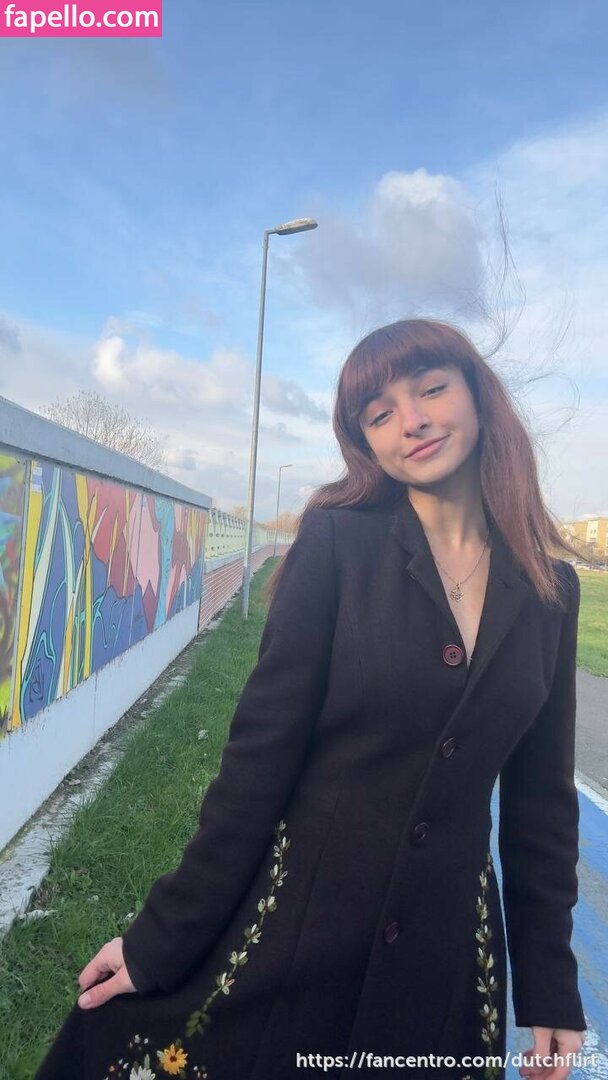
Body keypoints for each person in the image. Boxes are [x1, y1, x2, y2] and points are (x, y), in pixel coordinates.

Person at [36, 319, 587, 1080]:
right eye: (380, 413)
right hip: (297, 929)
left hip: (447, 962)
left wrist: (552, 987)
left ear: (477, 395)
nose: (412, 420)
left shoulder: (552, 593)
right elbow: (256, 763)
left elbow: (541, 806)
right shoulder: (335, 547)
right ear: (366, 443)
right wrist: (162, 938)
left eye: (431, 388)